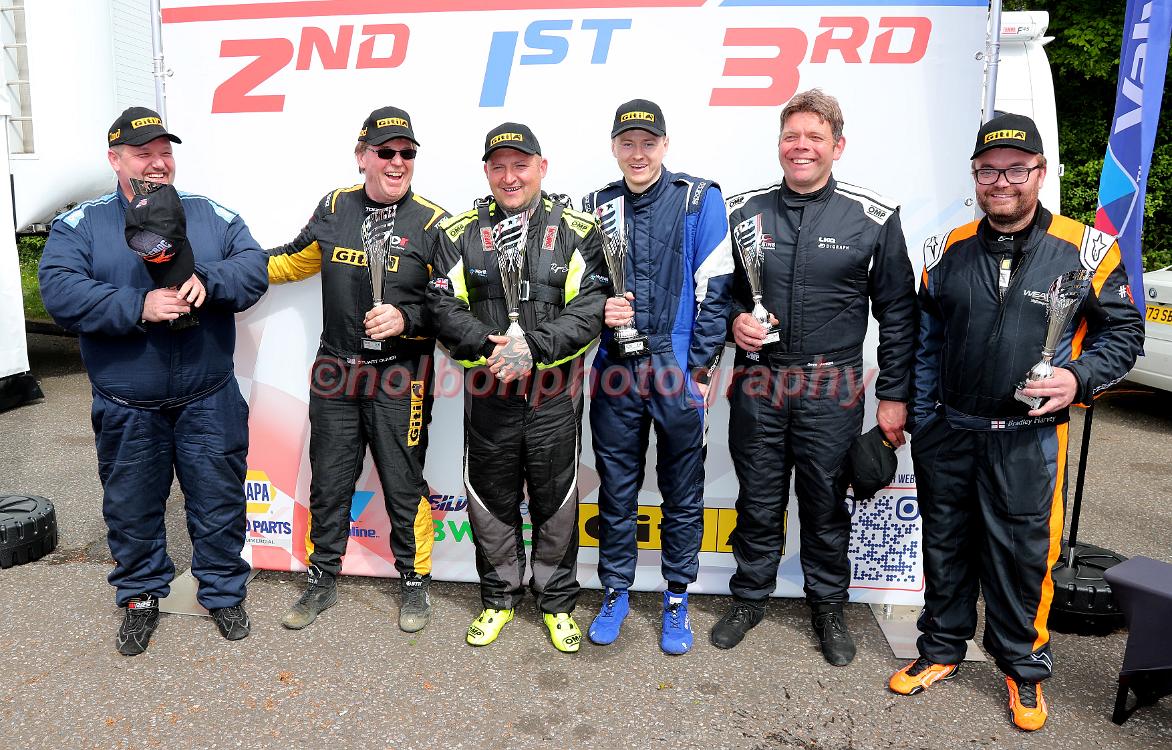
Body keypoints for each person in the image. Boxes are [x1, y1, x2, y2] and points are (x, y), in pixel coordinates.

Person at [888, 113, 1143, 731]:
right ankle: (940, 650)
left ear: (1040, 173)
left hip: (1029, 440)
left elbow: (1124, 333)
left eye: (1015, 170)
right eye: (988, 171)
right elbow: (925, 341)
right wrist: (923, 418)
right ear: (975, 176)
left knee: (1023, 557)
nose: (1001, 182)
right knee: (944, 548)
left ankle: (1022, 668)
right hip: (950, 433)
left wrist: (1078, 378)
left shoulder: (1088, 249)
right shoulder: (943, 250)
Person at [38, 106, 268, 655]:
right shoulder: (83, 224)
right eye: (144, 154)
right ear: (115, 160)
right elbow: (60, 291)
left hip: (208, 395)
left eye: (165, 152)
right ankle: (140, 597)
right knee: (132, 508)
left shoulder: (210, 214)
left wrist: (208, 280)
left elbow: (253, 267)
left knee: (218, 502)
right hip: (127, 400)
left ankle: (222, 593)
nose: (158, 162)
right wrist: (138, 304)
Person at [713, 89, 917, 665]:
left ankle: (828, 605)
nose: (800, 147)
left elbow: (899, 313)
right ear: (779, 144)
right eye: (791, 136)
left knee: (826, 503)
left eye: (814, 137)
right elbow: (718, 294)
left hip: (832, 386)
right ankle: (748, 598)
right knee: (757, 498)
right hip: (759, 382)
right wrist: (733, 323)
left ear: (838, 146)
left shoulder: (873, 217)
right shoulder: (742, 212)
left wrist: (893, 396)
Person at [267, 106, 449, 634]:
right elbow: (290, 260)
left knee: (402, 481)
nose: (397, 162)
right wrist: (218, 271)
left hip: (400, 374)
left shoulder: (433, 223)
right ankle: (322, 577)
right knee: (329, 479)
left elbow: (451, 306)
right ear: (361, 156)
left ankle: (413, 581)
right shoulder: (335, 206)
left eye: (407, 153)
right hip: (335, 371)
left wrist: (407, 318)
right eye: (385, 152)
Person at [427, 122, 607, 652]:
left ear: (541, 168)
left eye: (520, 165)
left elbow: (591, 307)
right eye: (499, 166)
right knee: (490, 501)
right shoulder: (458, 232)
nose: (510, 176)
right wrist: (493, 349)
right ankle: (498, 598)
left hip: (554, 398)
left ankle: (557, 602)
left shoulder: (577, 229)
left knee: (558, 502)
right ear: (486, 171)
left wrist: (534, 347)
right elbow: (441, 306)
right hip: (489, 396)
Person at [581, 99, 733, 654]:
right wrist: (600, 307)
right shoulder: (596, 206)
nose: (638, 153)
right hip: (615, 369)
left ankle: (676, 597)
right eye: (628, 143)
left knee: (682, 491)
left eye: (648, 142)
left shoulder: (699, 198)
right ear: (614, 147)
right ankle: (615, 591)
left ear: (665, 145)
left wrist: (700, 370)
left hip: (675, 369)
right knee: (616, 488)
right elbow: (582, 287)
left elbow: (717, 288)